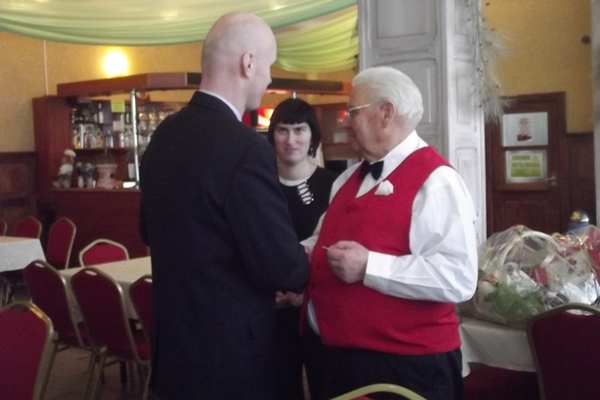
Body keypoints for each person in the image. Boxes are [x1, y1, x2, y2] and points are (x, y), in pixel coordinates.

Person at [138, 12, 309, 400]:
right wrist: (307, 256)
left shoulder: (164, 135)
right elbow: (281, 266)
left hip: (173, 349)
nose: (269, 79)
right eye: (269, 65)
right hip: (229, 357)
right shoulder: (246, 149)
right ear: (248, 63)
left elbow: (148, 230)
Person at [304, 66, 478, 400]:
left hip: (406, 366)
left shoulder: (437, 181)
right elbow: (325, 240)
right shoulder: (345, 180)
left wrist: (369, 266)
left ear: (386, 113)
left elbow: (459, 276)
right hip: (336, 360)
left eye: (352, 112)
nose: (344, 123)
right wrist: (303, 253)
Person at [267, 98, 338, 400]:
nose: (290, 139)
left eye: (299, 130)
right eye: (282, 130)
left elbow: (335, 246)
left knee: (325, 388)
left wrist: (304, 289)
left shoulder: (334, 186)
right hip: (270, 308)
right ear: (272, 135)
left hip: (318, 307)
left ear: (313, 136)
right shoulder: (259, 184)